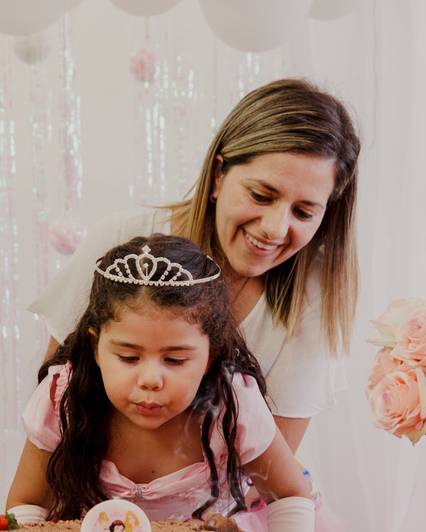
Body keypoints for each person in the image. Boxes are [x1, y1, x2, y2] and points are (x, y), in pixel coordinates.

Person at [29, 78, 361, 456]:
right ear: (219, 175)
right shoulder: (123, 239)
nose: (275, 228)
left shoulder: (313, 297)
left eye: (303, 212)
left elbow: (270, 470)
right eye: (261, 195)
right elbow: (54, 408)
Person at [7, 234, 315, 532]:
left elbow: (289, 496)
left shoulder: (232, 407)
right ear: (96, 348)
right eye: (127, 357)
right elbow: (27, 503)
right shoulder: (64, 400)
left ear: (211, 355)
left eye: (175, 359)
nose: (151, 379)